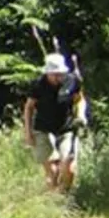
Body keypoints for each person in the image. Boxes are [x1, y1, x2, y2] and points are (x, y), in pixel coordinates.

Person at [24, 52, 88, 193]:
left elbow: (80, 99)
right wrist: (28, 133)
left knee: (69, 168)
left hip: (66, 129)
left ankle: (63, 194)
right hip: (43, 129)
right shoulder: (38, 85)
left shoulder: (72, 81)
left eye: (61, 73)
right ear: (47, 73)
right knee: (52, 171)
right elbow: (29, 108)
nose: (58, 77)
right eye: (55, 74)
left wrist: (81, 114)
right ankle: (54, 201)